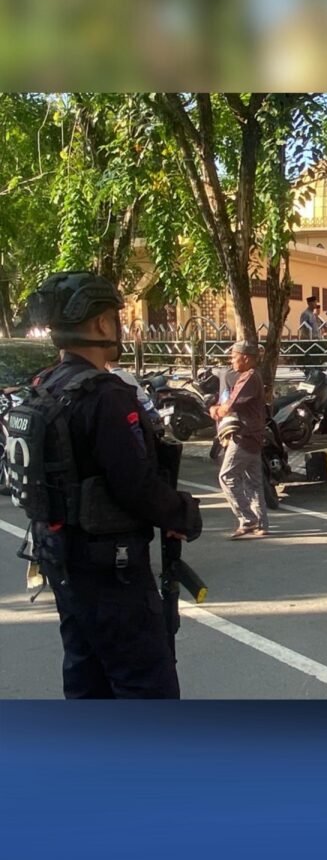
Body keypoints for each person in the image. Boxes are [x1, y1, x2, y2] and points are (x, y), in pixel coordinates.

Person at [22, 271, 202, 698]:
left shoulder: (46, 386)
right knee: (144, 683)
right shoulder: (106, 394)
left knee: (86, 675)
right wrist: (183, 514)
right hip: (111, 568)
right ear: (102, 324)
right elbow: (134, 482)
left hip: (61, 558)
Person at [210, 341, 269, 539]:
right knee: (253, 481)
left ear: (246, 357)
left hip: (244, 434)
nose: (232, 360)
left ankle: (248, 519)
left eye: (234, 356)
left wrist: (215, 411)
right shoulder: (250, 376)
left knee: (227, 476)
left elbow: (229, 405)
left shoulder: (249, 377)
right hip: (254, 433)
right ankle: (261, 523)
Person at [106, 359, 161, 424]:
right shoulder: (128, 375)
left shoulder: (112, 378)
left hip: (141, 414)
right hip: (150, 411)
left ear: (106, 363)